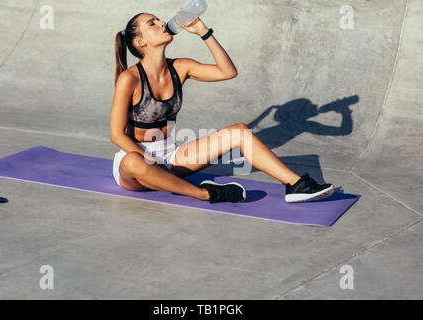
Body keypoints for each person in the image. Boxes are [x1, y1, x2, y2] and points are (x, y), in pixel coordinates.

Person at [110, 12, 334, 203]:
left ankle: (295, 185)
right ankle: (206, 193)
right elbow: (117, 135)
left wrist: (203, 32)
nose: (161, 23)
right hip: (137, 165)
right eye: (152, 23)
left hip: (172, 156)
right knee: (133, 161)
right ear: (140, 42)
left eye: (158, 19)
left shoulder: (181, 67)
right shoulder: (129, 79)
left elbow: (227, 72)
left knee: (239, 131)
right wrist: (152, 163)